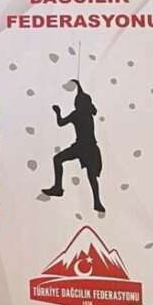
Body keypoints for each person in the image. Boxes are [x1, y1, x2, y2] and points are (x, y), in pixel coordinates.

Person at [41, 79, 104, 214]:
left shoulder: (76, 114)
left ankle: (58, 187)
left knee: (58, 159)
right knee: (91, 176)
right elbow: (82, 95)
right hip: (91, 148)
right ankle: (97, 201)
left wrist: (57, 112)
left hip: (81, 147)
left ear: (78, 104)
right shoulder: (88, 113)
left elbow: (61, 123)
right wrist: (77, 85)